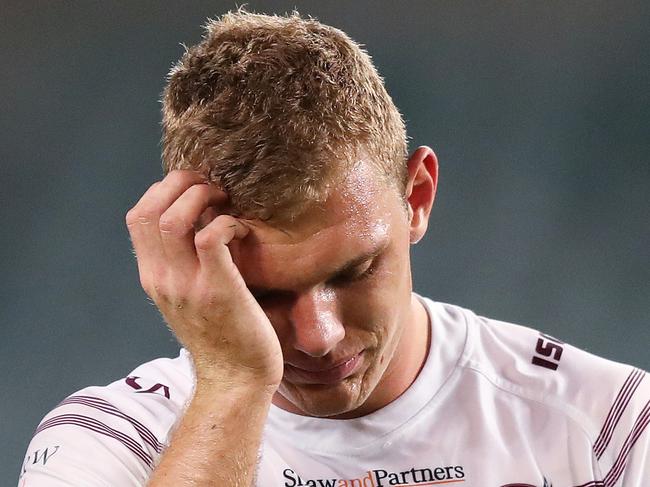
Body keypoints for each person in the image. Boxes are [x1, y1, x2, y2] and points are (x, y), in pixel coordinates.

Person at [20, 10, 648, 487]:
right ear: (185, 256)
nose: (318, 335)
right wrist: (236, 382)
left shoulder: (611, 431)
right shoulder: (106, 442)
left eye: (354, 271)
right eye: (264, 291)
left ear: (418, 197)